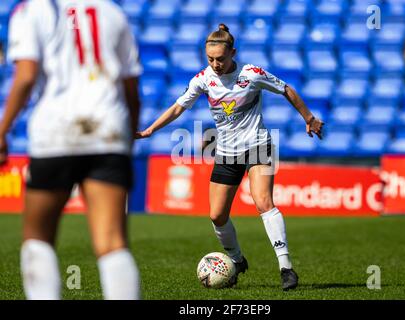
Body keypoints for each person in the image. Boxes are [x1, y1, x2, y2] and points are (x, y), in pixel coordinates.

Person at [136, 24, 324, 291]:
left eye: (221, 59)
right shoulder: (203, 79)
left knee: (263, 202)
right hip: (226, 152)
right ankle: (237, 259)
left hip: (258, 146)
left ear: (233, 52)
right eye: (210, 59)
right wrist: (150, 130)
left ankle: (286, 268)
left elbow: (287, 90)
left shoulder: (251, 74)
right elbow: (179, 106)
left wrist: (309, 118)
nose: (216, 64)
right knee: (217, 215)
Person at [0, 0, 142, 300]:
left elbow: (26, 75)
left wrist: (3, 129)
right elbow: (131, 88)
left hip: (55, 131)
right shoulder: (113, 13)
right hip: (108, 129)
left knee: (38, 238)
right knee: (113, 242)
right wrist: (125, 139)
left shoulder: (31, 10)